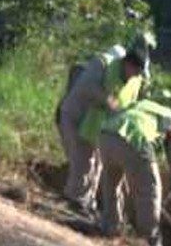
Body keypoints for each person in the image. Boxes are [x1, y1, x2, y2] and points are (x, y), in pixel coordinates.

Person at [56, 31, 157, 218]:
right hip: (76, 118)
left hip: (99, 128)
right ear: (127, 63)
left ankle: (87, 207)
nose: (136, 75)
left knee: (97, 167)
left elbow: (129, 107)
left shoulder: (135, 81)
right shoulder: (101, 64)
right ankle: (74, 206)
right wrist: (108, 100)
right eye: (135, 70)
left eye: (139, 73)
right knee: (82, 163)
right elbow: (86, 88)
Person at [98, 99, 171, 246]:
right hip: (133, 138)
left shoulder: (148, 105)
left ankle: (109, 225)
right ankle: (151, 240)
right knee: (150, 190)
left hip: (107, 135)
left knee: (112, 183)